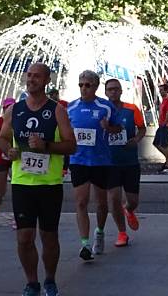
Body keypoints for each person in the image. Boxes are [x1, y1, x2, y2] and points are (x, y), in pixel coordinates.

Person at [0, 63, 76, 296]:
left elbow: (72, 145)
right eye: (29, 75)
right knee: (24, 237)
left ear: (46, 81)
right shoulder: (15, 110)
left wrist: (47, 146)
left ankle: (50, 280)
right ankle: (32, 282)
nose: (31, 79)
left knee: (49, 236)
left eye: (36, 76)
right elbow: (1, 137)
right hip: (22, 182)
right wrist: (7, 151)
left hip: (49, 184)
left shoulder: (57, 110)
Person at [67, 70, 120, 261]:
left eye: (87, 85)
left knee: (101, 203)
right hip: (78, 160)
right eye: (80, 85)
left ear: (96, 86)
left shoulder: (105, 106)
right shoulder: (71, 107)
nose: (83, 88)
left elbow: (118, 128)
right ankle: (84, 244)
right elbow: (65, 133)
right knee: (81, 202)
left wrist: (109, 128)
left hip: (100, 160)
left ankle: (99, 231)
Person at [104, 79, 146, 247]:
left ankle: (128, 210)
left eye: (116, 89)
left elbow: (142, 128)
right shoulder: (102, 110)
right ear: (105, 92)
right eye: (110, 89)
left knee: (133, 201)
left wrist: (136, 139)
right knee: (113, 199)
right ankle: (122, 233)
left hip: (130, 162)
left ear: (121, 91)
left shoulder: (132, 109)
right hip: (110, 162)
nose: (113, 92)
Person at [152, 84, 168, 173]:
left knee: (164, 145)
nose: (160, 91)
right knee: (156, 143)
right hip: (162, 125)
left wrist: (164, 124)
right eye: (160, 90)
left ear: (166, 91)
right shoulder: (164, 100)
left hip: (166, 125)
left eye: (161, 90)